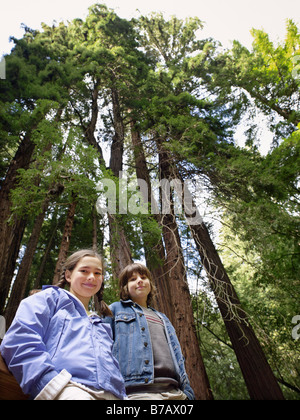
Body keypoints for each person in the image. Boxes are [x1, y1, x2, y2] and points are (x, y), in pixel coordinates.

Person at [0, 249, 126, 401]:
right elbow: (20, 339)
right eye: (84, 271)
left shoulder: (101, 324)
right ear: (68, 275)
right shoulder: (49, 299)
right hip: (69, 390)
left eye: (97, 273)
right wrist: (49, 384)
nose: (91, 277)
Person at [106, 262, 195, 400]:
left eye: (143, 277)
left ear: (150, 284)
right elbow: (102, 348)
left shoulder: (163, 318)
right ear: (125, 287)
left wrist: (187, 392)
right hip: (138, 392)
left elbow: (177, 355)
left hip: (175, 391)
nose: (140, 281)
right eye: (133, 279)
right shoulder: (115, 310)